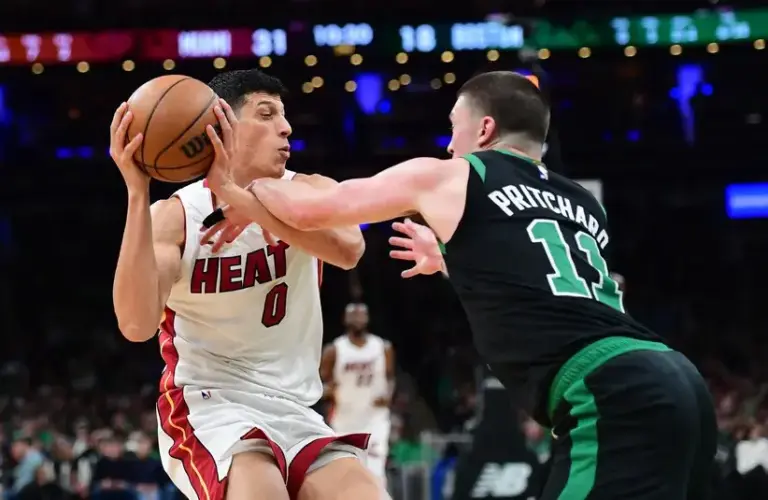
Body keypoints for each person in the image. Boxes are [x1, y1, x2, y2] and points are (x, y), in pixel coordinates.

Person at [202, 71, 717, 499]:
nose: (450, 144)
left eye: (455, 128)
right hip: (677, 378)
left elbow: (312, 211)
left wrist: (240, 186)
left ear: (485, 129)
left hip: (608, 391)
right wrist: (453, 259)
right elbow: (545, 281)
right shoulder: (582, 201)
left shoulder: (452, 175)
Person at [110, 69, 389, 500]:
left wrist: (244, 200)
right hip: (209, 401)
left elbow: (349, 249)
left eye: (284, 115)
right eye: (267, 114)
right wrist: (137, 193)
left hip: (294, 407)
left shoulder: (305, 190)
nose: (286, 127)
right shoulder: (177, 216)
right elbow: (135, 324)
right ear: (222, 124)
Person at [320, 303, 395, 486]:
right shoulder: (334, 350)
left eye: (361, 314)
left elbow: (391, 378)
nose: (357, 318)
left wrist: (388, 396)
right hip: (344, 419)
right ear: (345, 320)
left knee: (375, 471)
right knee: (346, 473)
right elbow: (318, 385)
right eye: (353, 315)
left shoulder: (382, 347)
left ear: (368, 318)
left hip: (374, 418)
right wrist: (328, 389)